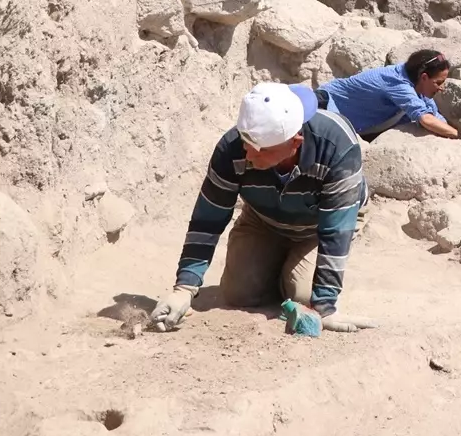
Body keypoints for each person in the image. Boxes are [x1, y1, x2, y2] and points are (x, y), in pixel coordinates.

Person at [150, 82, 375, 333]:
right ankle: (276, 264)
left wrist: (325, 305)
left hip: (318, 226)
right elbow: (208, 218)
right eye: (246, 142)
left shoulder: (337, 146)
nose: (248, 154)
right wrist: (184, 289)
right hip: (264, 218)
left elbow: (336, 230)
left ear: (295, 142)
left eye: (260, 150)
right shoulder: (233, 147)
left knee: (304, 295)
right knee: (239, 294)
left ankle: (292, 272)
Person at [314, 49, 458, 140]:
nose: (442, 88)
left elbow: (433, 114)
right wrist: (457, 135)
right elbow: (426, 119)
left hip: (350, 121)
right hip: (324, 106)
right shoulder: (398, 84)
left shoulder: (415, 79)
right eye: (438, 83)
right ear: (424, 77)